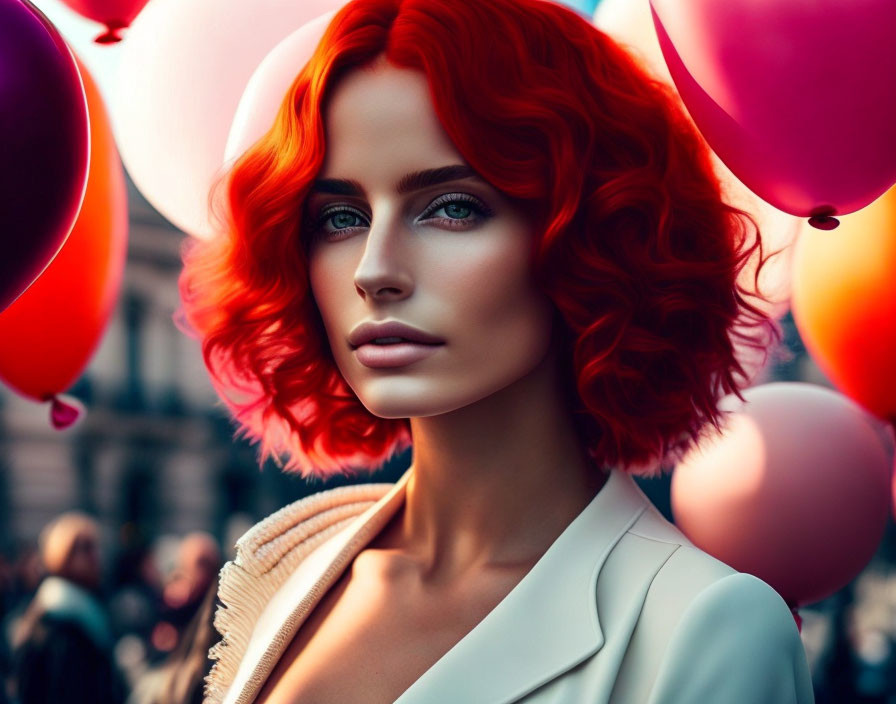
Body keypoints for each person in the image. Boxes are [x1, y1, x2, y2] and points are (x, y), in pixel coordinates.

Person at [177, 0, 815, 701]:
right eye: (341, 217)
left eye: (453, 207)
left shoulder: (699, 625)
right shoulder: (281, 571)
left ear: (592, 234)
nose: (372, 269)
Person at [10, 512, 128, 704]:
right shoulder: (56, 618)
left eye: (95, 546)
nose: (94, 556)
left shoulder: (87, 607)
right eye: (84, 548)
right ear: (60, 553)